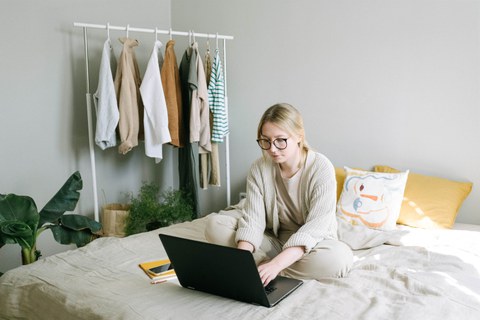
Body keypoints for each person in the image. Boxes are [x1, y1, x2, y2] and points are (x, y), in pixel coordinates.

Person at [205, 103, 353, 286]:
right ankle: (258, 267)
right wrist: (240, 262)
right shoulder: (259, 168)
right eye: (265, 140)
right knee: (214, 225)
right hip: (273, 240)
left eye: (280, 140)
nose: (272, 149)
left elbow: (316, 227)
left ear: (299, 137)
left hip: (311, 244)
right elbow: (253, 220)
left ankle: (266, 268)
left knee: (338, 258)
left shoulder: (321, 168)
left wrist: (276, 264)